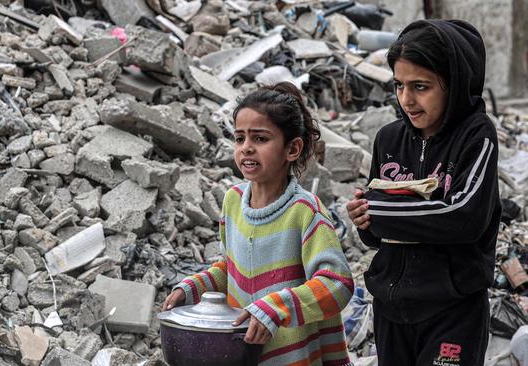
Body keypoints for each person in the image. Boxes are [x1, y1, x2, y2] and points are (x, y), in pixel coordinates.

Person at [163, 82, 354, 366]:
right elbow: (232, 268)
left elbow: (337, 284)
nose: (246, 149)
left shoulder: (304, 212)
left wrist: (277, 308)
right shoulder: (233, 201)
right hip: (243, 353)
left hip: (295, 357)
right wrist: (194, 289)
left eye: (261, 139)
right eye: (240, 139)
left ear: (292, 149)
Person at [347, 19, 501, 365]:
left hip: (453, 309)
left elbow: (463, 216)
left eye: (421, 86)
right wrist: (364, 219)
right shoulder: (389, 139)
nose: (407, 100)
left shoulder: (476, 136)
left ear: (454, 84)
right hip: (391, 308)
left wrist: (380, 210)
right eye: (399, 85)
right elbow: (375, 237)